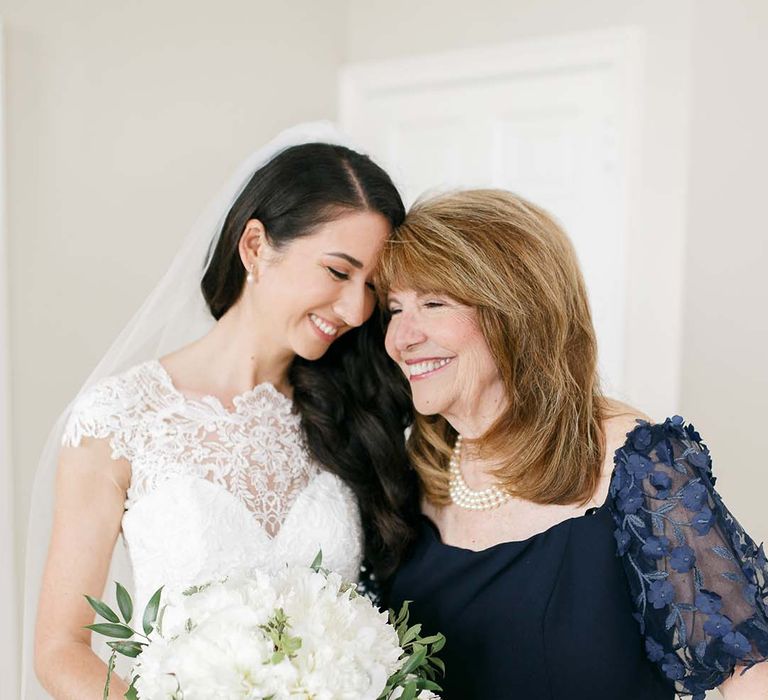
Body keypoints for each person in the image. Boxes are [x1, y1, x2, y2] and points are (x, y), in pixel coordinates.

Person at [25, 123, 417, 699]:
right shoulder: (118, 418)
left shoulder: (358, 414)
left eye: (371, 287)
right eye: (337, 272)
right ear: (256, 246)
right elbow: (61, 649)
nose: (357, 309)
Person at [378, 189, 768, 699]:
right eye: (394, 308)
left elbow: (750, 681)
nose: (401, 337)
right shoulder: (414, 469)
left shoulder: (640, 464)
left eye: (433, 303)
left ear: (517, 313)